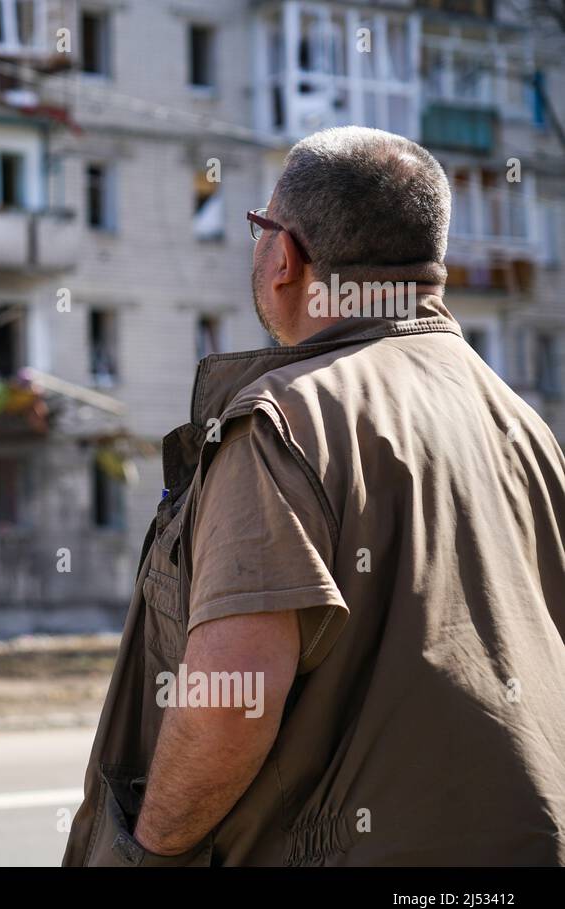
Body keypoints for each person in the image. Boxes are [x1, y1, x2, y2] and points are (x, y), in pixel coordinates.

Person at [63, 126, 565, 866]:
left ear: (285, 257)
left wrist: (145, 852)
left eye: (260, 227)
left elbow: (233, 696)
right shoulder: (523, 425)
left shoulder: (280, 423)